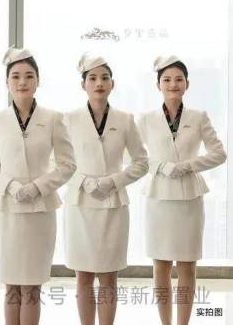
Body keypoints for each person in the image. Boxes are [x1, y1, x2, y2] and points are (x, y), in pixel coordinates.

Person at [0, 46, 76, 325]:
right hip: (6, 209)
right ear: (7, 82)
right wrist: (10, 186)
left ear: (38, 80)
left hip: (40, 210)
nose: (22, 82)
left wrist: (39, 186)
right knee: (11, 285)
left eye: (29, 76)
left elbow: (67, 164)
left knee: (32, 286)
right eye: (15, 76)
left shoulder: (53, 118)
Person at [137, 55, 226, 325]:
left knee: (187, 264)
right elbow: (134, 156)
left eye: (178, 79)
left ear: (187, 83)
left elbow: (219, 154)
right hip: (158, 198)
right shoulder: (146, 119)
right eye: (167, 80)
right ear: (158, 85)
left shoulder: (198, 117)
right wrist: (160, 165)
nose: (173, 84)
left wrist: (188, 165)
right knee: (161, 265)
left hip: (189, 198)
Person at [64, 52, 148, 325]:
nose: (99, 83)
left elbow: (141, 162)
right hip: (80, 204)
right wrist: (83, 181)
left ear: (113, 83)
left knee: (109, 275)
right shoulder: (69, 119)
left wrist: (114, 181)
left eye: (104, 78)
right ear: (83, 85)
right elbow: (57, 162)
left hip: (114, 204)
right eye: (92, 78)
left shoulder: (125, 119)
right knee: (83, 275)